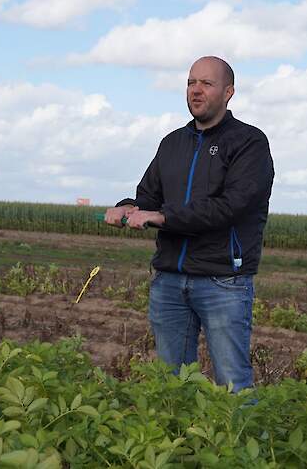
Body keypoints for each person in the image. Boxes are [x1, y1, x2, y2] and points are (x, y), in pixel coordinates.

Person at [104, 56, 274, 392]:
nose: (196, 90)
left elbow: (230, 208)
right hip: (169, 280)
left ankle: (241, 443)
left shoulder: (249, 143)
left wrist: (163, 217)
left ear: (228, 92)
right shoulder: (172, 143)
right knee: (172, 384)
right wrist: (128, 208)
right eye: (191, 82)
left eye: (206, 84)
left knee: (233, 383)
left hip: (222, 280)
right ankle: (181, 444)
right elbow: (148, 197)